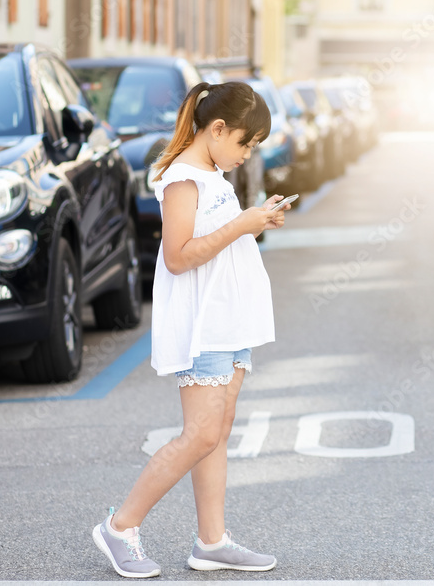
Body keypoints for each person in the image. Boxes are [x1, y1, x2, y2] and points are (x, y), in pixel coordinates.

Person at [92, 81, 290, 578]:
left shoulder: (214, 174)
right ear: (218, 128)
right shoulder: (184, 178)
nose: (248, 154)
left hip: (229, 321)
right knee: (200, 434)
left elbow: (219, 243)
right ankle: (120, 527)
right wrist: (244, 224)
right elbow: (179, 257)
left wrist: (257, 220)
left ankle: (212, 542)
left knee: (217, 433)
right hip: (203, 327)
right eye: (246, 142)